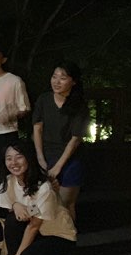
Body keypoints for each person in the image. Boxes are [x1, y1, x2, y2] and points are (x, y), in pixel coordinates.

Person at [0, 140, 77, 255]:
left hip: (57, 235)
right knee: (12, 219)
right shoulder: (7, 182)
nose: (13, 162)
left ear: (29, 158)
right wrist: (15, 205)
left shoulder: (44, 187)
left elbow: (34, 225)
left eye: (19, 157)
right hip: (37, 231)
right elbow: (24, 212)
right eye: (9, 158)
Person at [32, 61, 89, 221]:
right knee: (43, 200)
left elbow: (75, 139)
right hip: (46, 153)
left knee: (65, 203)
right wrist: (40, 157)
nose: (57, 82)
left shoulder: (79, 105)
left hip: (70, 157)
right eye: (54, 77)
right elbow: (37, 128)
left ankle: (68, 234)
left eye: (63, 78)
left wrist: (58, 167)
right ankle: (47, 233)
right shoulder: (44, 99)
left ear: (73, 81)